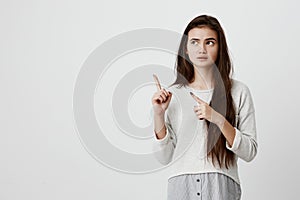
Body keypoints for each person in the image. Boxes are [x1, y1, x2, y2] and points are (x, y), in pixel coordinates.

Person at [151, 15, 258, 200]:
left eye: (209, 42)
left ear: (219, 47)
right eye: (194, 42)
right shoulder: (171, 95)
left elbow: (249, 152)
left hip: (222, 186)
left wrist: (218, 119)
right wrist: (158, 115)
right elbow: (164, 157)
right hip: (181, 186)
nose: (201, 49)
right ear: (186, 48)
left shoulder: (238, 91)